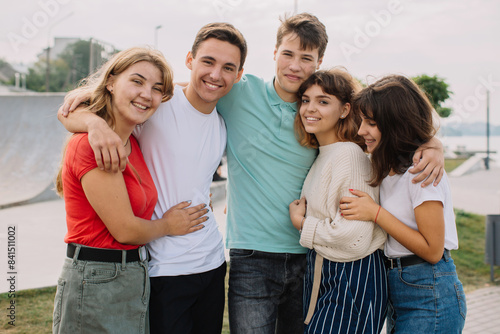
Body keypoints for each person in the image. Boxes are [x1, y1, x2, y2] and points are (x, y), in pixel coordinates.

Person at [216, 13, 444, 334]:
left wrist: (432, 144)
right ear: (274, 53)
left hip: (316, 261)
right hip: (257, 255)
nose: (295, 65)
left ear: (318, 61)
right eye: (288, 54)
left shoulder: (341, 141)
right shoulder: (240, 94)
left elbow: (393, 118)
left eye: (306, 58)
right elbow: (188, 93)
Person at [57, 23, 247, 334]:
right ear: (190, 60)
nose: (216, 75)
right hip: (162, 268)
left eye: (228, 67)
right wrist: (93, 122)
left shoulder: (223, 121)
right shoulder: (156, 106)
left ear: (238, 75)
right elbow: (78, 109)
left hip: (213, 264)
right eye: (208, 62)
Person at [341, 75, 466, 333]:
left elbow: (432, 250)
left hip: (430, 292)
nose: (361, 130)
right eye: (362, 121)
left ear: (396, 125)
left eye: (371, 123)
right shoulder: (386, 166)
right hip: (398, 290)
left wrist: (376, 213)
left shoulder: (422, 172)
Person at [288, 69, 388, 334]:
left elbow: (354, 237)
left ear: (344, 110)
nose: (310, 108)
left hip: (352, 276)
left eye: (323, 101)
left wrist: (301, 223)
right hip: (328, 275)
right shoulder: (325, 154)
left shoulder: (348, 155)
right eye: (306, 100)